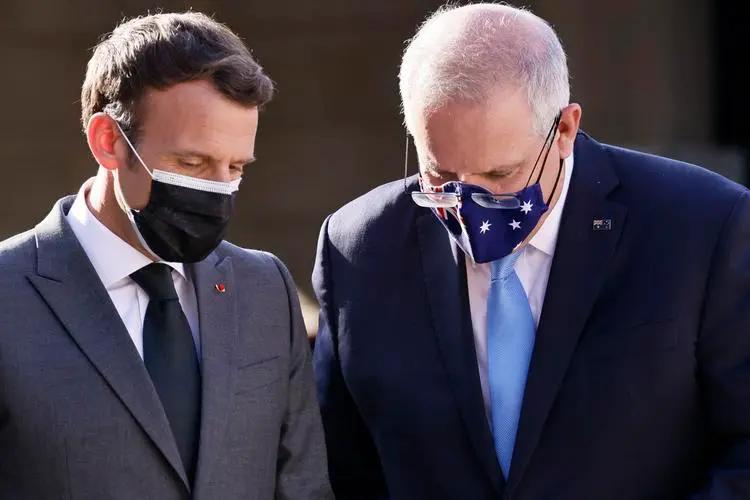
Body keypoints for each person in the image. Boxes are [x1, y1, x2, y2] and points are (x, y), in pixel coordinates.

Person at [313, 4, 750, 499]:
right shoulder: (359, 247)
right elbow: (338, 466)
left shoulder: (701, 226)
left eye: (500, 176)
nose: (470, 206)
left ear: (564, 130)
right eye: (441, 176)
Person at [0, 12, 332, 500]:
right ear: (109, 142)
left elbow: (303, 486)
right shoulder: (9, 294)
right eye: (192, 162)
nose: (219, 189)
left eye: (236, 167)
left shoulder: (264, 289)